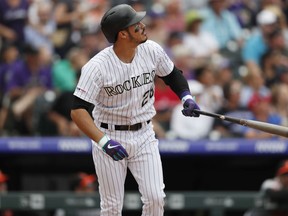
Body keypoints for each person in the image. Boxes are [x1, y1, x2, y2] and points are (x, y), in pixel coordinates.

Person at [70, 4, 200, 216]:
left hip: (144, 134)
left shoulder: (151, 50)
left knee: (155, 198)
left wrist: (186, 97)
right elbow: (78, 111)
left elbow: (172, 75)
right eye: (135, 25)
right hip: (109, 134)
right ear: (122, 34)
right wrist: (103, 141)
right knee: (112, 207)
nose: (142, 26)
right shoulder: (97, 67)